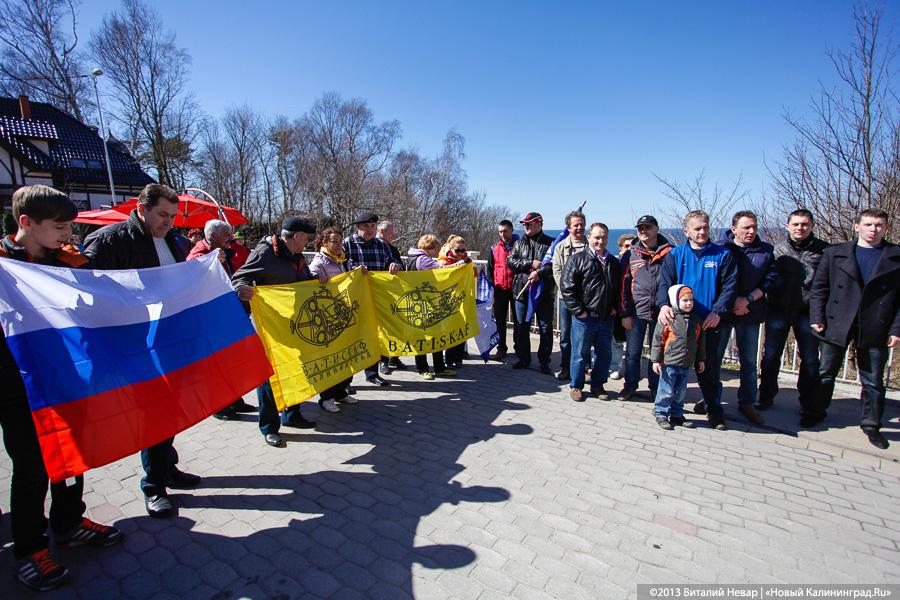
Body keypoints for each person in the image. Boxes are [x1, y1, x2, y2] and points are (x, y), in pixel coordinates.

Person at [1, 186, 123, 592]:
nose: (68, 235)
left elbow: (104, 302)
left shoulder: (71, 261)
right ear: (26, 223)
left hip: (69, 378)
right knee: (33, 468)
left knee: (73, 456)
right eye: (59, 227)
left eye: (70, 226)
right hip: (17, 387)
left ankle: (69, 523)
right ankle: (30, 549)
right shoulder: (2, 264)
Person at [84, 183, 203, 518]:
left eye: (173, 216)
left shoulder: (174, 242)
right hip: (134, 343)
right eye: (162, 215)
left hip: (168, 339)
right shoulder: (110, 239)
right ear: (141, 208)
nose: (168, 222)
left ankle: (167, 468)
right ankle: (154, 486)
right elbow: (88, 288)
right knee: (152, 411)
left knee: (168, 409)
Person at [810, 208, 900, 450]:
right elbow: (820, 288)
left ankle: (871, 425)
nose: (874, 229)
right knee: (825, 371)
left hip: (875, 324)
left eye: (879, 225)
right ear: (856, 226)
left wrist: (896, 329)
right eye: (869, 224)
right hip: (837, 320)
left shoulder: (895, 256)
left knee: (872, 380)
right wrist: (817, 317)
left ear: (886, 228)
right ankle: (816, 412)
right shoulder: (835, 253)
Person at [233, 217, 327, 447]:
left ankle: (292, 415)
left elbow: (303, 281)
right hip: (271, 327)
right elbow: (239, 276)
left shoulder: (297, 257)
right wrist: (240, 288)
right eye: (305, 239)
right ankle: (269, 427)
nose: (307, 243)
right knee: (268, 378)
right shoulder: (264, 253)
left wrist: (316, 281)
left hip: (295, 325)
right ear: (295, 236)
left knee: (295, 370)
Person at [657, 210, 737, 430]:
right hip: (681, 325)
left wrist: (718, 311)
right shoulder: (675, 255)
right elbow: (665, 283)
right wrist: (663, 305)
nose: (702, 232)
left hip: (710, 322)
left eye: (705, 228)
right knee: (673, 371)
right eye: (697, 228)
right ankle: (667, 411)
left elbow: (729, 287)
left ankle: (714, 412)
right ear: (687, 231)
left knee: (709, 370)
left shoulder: (722, 255)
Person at [757, 209, 828, 426]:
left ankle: (807, 404)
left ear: (812, 226)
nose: (800, 228)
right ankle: (766, 396)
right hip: (777, 309)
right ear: (787, 226)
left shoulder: (824, 251)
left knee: (809, 360)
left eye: (805, 224)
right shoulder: (777, 250)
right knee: (770, 356)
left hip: (808, 312)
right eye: (796, 224)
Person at [710, 211, 775, 426]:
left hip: (750, 311)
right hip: (723, 313)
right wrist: (730, 303)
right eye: (746, 227)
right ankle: (711, 398)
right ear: (734, 229)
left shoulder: (765, 252)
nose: (751, 231)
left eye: (754, 227)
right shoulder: (720, 248)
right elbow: (716, 280)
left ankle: (747, 402)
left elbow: (768, 281)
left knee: (748, 361)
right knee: (714, 358)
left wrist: (747, 300)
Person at [186, 219, 256, 420]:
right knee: (216, 363)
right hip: (212, 317)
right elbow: (193, 277)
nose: (231, 238)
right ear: (213, 236)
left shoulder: (227, 252)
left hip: (228, 313)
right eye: (227, 234)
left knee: (232, 359)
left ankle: (235, 399)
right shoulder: (199, 254)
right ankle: (218, 406)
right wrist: (210, 262)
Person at [560, 222, 622, 401]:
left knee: (604, 354)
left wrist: (614, 308)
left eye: (603, 237)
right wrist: (579, 311)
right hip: (585, 318)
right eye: (596, 237)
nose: (600, 241)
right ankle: (577, 386)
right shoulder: (578, 259)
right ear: (589, 238)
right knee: (580, 354)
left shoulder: (613, 262)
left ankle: (598, 385)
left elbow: (617, 288)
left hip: (605, 318)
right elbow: (567, 287)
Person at [343, 211, 401, 386]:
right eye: (366, 226)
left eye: (372, 226)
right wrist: (354, 268)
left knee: (374, 336)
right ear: (358, 227)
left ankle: (372, 373)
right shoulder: (347, 243)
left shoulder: (381, 245)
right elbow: (341, 264)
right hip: (353, 299)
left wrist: (394, 265)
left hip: (376, 298)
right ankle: (346, 382)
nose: (370, 229)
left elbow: (393, 261)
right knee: (351, 338)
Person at [620, 215, 672, 401]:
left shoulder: (670, 253)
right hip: (636, 312)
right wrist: (625, 313)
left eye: (647, 227)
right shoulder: (630, 254)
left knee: (657, 354)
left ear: (656, 229)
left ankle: (656, 388)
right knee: (633, 354)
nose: (643, 231)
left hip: (662, 313)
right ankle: (630, 386)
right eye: (640, 228)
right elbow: (623, 286)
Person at [309, 226, 359, 413]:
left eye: (340, 241)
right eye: (334, 241)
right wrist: (315, 277)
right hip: (329, 317)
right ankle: (326, 397)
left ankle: (341, 392)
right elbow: (309, 279)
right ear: (324, 243)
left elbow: (352, 274)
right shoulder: (319, 261)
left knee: (347, 356)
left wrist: (359, 271)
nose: (338, 245)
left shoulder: (344, 259)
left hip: (345, 314)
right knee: (332, 359)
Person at [651, 285, 705, 430]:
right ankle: (661, 413)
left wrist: (700, 359)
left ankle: (676, 414)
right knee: (666, 389)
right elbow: (658, 340)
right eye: (685, 300)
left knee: (680, 392)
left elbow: (699, 342)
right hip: (669, 362)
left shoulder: (695, 320)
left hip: (686, 363)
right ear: (676, 301)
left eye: (691, 300)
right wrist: (656, 360)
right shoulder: (669, 318)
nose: (689, 303)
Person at [406, 234, 459, 379]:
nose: (437, 252)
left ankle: (435, 367)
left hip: (422, 302)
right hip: (424, 304)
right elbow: (442, 270)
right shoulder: (422, 260)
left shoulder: (415, 257)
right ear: (429, 248)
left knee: (429, 335)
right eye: (436, 248)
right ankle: (426, 368)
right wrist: (460, 265)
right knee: (426, 336)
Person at [508, 211, 555, 373]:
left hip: (543, 293)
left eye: (529, 224)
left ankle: (544, 362)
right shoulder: (519, 242)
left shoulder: (551, 243)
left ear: (539, 224)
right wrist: (530, 263)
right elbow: (511, 262)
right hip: (521, 291)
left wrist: (539, 273)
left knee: (545, 329)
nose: (526, 227)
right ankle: (523, 359)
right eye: (524, 224)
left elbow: (553, 266)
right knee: (521, 327)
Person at [550, 211, 587, 381]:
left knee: (585, 336)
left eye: (581, 224)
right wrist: (568, 292)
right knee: (565, 336)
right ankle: (566, 368)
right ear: (568, 227)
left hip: (586, 300)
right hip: (565, 299)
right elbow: (556, 271)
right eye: (575, 225)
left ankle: (584, 369)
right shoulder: (560, 247)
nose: (579, 227)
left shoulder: (591, 246)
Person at [437, 234, 474, 369]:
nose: (461, 254)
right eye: (458, 251)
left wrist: (470, 266)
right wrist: (460, 264)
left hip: (461, 297)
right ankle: (449, 359)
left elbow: (473, 274)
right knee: (450, 330)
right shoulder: (444, 260)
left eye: (463, 251)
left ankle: (459, 358)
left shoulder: (465, 259)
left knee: (461, 328)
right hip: (447, 300)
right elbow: (442, 273)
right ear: (451, 249)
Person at [376, 220, 407, 373]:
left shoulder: (392, 249)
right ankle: (382, 361)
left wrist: (397, 266)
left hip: (393, 294)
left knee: (395, 327)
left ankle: (394, 357)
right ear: (381, 232)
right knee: (382, 330)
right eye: (391, 233)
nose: (393, 236)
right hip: (378, 293)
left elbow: (401, 265)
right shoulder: (373, 247)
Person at [486, 219, 518, 361]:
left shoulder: (520, 246)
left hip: (517, 289)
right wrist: (492, 287)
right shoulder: (494, 248)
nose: (503, 234)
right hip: (500, 289)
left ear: (512, 230)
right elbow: (490, 269)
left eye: (505, 231)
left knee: (519, 321)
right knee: (499, 321)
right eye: (500, 231)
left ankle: (520, 348)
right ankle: (501, 348)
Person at [609, 233, 635, 380]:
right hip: (614, 307)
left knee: (625, 342)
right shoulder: (614, 262)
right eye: (626, 246)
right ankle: (611, 366)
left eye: (632, 245)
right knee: (612, 340)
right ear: (620, 247)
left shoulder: (637, 262)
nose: (629, 248)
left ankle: (622, 369)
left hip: (630, 308)